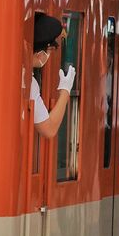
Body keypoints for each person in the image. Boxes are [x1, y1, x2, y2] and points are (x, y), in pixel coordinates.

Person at [31, 12, 76, 140]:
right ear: (40, 52)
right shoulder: (28, 83)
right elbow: (49, 129)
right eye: (50, 51)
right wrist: (65, 91)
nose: (48, 57)